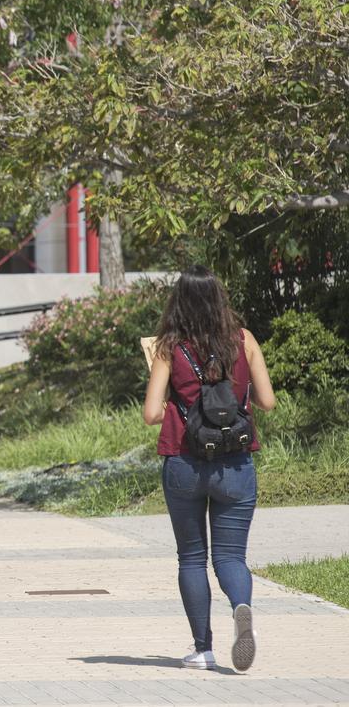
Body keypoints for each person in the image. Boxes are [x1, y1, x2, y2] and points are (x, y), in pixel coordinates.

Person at [142, 266, 275, 673]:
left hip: (183, 464)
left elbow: (150, 414)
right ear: (220, 298)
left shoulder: (169, 347)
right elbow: (267, 402)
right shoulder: (244, 340)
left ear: (179, 301)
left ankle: (203, 649)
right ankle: (240, 606)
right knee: (231, 557)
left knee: (191, 558)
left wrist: (174, 401)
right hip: (235, 465)